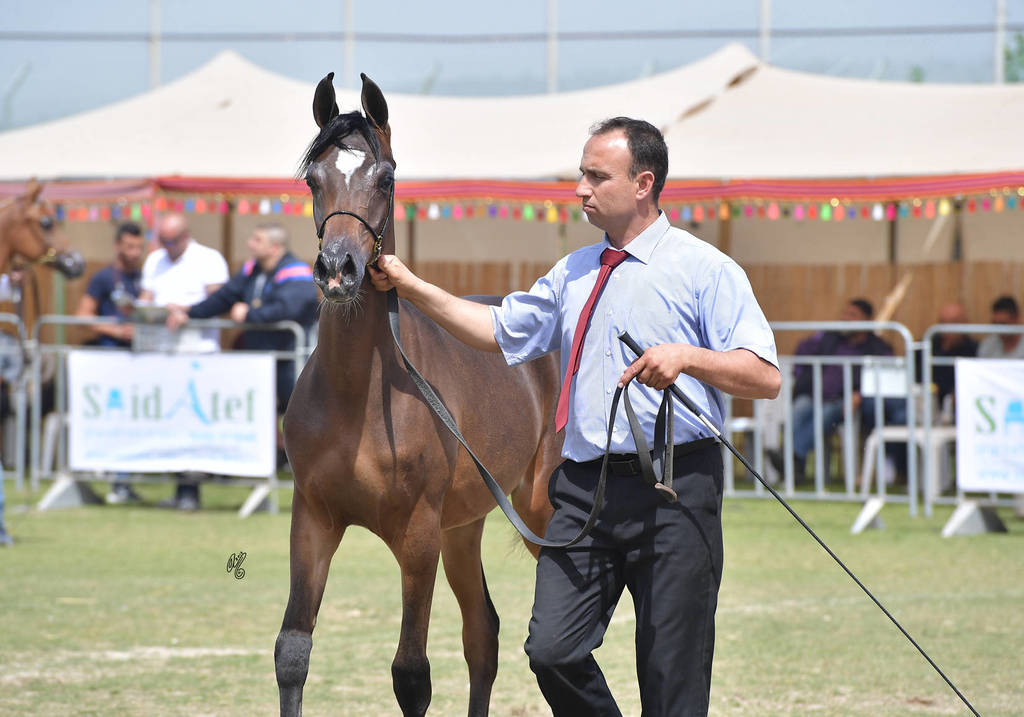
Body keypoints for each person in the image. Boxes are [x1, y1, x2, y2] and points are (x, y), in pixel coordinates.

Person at [368, 117, 780, 716]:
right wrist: (410, 286)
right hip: (586, 489)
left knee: (672, 679)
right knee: (552, 650)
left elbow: (764, 375)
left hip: (676, 487)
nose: (580, 189)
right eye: (580, 175)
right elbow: (496, 330)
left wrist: (688, 357)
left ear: (643, 183)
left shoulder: (706, 269)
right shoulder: (573, 270)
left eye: (595, 176)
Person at [166, 224, 318, 462]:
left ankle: (310, 462)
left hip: (292, 359)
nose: (250, 244)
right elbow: (224, 297)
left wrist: (250, 314)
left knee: (300, 414)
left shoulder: (295, 271)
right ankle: (267, 461)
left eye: (257, 240)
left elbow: (289, 310)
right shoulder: (253, 270)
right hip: (261, 357)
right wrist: (190, 313)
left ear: (275, 247)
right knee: (259, 413)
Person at [139, 213, 229, 510]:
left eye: (171, 240)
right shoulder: (155, 261)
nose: (166, 246)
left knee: (193, 422)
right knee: (170, 422)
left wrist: (186, 311)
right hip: (162, 349)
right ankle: (177, 486)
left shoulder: (209, 259)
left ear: (185, 235)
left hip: (198, 352)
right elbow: (146, 297)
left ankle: (191, 489)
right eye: (162, 240)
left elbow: (219, 303)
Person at [769, 298, 892, 482]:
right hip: (814, 394)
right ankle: (796, 465)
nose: (846, 318)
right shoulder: (830, 337)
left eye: (853, 315)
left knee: (825, 412)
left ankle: (791, 458)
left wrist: (861, 393)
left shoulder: (877, 347)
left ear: (867, 320)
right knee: (800, 407)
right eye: (845, 314)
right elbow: (803, 351)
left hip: (845, 400)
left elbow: (883, 376)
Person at [75, 222, 147, 504]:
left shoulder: (146, 277)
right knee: (113, 421)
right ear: (117, 246)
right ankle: (111, 480)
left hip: (140, 359)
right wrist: (116, 330)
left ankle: (124, 482)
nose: (134, 252)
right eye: (129, 246)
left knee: (135, 421)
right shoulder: (104, 278)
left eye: (139, 247)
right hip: (109, 360)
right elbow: (83, 316)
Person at [977, 295, 1024, 359]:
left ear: (1016, 319)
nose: (998, 329)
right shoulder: (988, 345)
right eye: (995, 324)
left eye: (1003, 324)